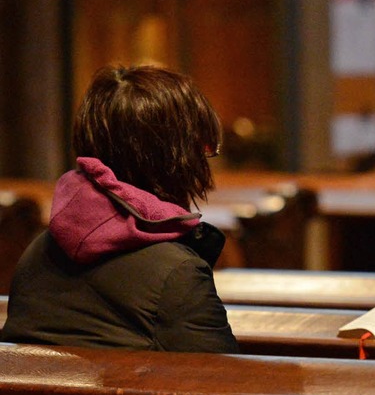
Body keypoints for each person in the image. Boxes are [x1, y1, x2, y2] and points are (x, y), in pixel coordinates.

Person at [1, 65, 239, 353]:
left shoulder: (37, 254)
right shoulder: (178, 276)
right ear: (177, 160)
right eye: (202, 149)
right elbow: (222, 387)